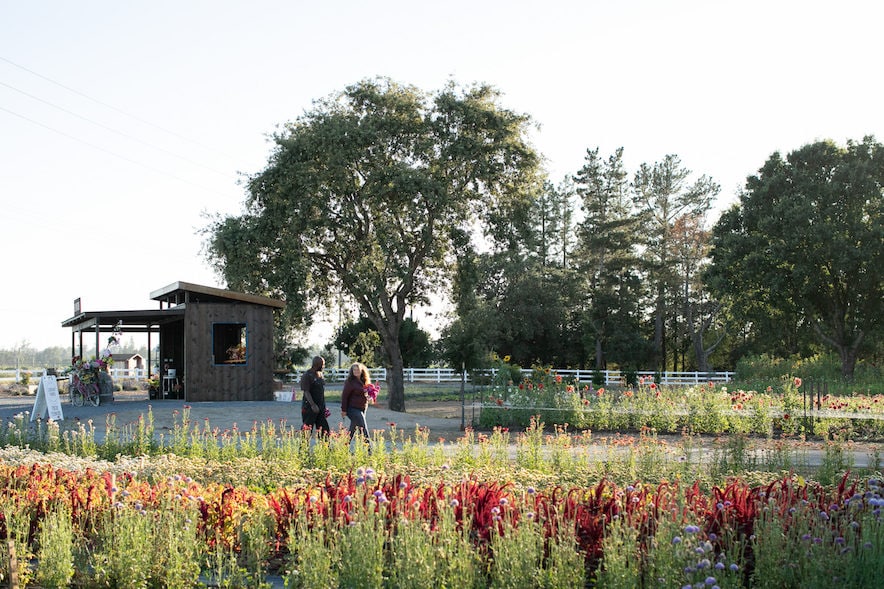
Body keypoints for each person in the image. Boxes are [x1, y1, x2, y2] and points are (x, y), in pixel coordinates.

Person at [341, 362, 373, 451]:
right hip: (352, 408)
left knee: (352, 429)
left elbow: (367, 393)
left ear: (361, 370)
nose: (356, 371)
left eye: (358, 369)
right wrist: (343, 410)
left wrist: (370, 396)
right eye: (354, 369)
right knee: (363, 428)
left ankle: (343, 448)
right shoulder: (350, 382)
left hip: (362, 408)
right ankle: (369, 451)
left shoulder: (364, 381)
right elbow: (344, 396)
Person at [300, 356, 330, 435]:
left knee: (324, 429)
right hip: (309, 407)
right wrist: (313, 405)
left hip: (320, 407)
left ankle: (325, 446)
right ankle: (303, 447)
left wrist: (323, 407)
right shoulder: (307, 375)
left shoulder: (320, 375)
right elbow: (306, 391)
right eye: (322, 365)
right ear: (317, 364)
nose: (323, 367)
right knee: (307, 429)